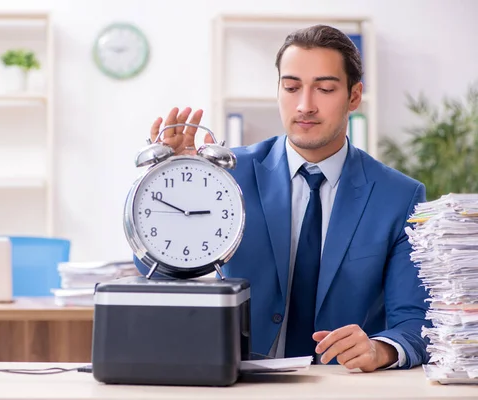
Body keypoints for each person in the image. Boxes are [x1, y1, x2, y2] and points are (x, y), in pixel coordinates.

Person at [134, 24, 431, 372]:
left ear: (354, 96)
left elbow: (416, 321)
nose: (305, 105)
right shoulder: (226, 177)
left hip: (344, 387)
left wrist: (380, 349)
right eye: (291, 87)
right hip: (236, 381)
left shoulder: (400, 196)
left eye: (324, 89)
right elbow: (159, 276)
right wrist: (170, 184)